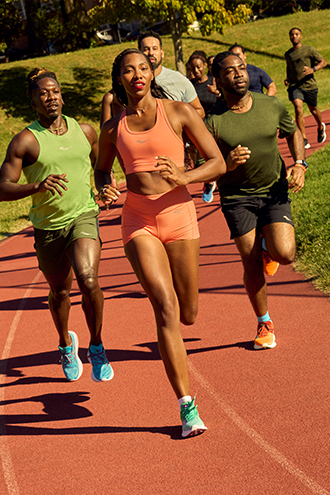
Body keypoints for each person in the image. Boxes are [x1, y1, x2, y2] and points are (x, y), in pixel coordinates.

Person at [94, 48, 229, 437]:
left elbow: (217, 162)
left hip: (179, 216)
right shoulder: (111, 129)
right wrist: (105, 189)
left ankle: (180, 344)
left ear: (152, 74)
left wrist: (186, 177)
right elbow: (102, 171)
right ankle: (188, 408)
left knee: (188, 313)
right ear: (119, 79)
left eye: (143, 68)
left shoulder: (178, 113)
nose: (137, 74)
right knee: (165, 307)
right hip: (138, 220)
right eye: (128, 70)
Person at [0, 67, 114, 383]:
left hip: (83, 216)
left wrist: (104, 187)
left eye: (55, 91)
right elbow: (2, 187)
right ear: (33, 101)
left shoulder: (86, 131)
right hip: (48, 227)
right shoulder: (25, 141)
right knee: (59, 292)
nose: (51, 98)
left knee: (89, 280)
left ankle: (97, 346)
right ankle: (65, 343)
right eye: (43, 93)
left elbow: (101, 168)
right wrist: (36, 187)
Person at [206, 51, 306, 351]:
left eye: (242, 68)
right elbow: (204, 165)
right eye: (230, 71)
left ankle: (268, 247)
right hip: (237, 198)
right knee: (250, 264)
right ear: (218, 80)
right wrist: (227, 162)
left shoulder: (270, 104)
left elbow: (293, 133)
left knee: (285, 254)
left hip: (274, 189)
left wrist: (300, 163)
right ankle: (264, 322)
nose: (239, 74)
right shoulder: (213, 121)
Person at [137, 30, 205, 118]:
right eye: (146, 49)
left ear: (162, 53)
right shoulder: (134, 82)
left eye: (155, 48)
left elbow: (199, 111)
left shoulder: (178, 79)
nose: (151, 53)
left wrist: (178, 121)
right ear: (138, 54)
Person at [284, 27, 327, 150]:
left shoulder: (309, 50)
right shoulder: (288, 54)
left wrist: (312, 69)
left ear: (301, 36)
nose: (294, 36)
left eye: (297, 34)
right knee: (298, 109)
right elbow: (289, 67)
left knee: (313, 109)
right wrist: (288, 78)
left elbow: (323, 62)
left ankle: (320, 127)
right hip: (295, 86)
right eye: (292, 35)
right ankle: (303, 138)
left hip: (309, 85)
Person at [188, 50, 219, 203]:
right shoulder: (189, 86)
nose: (196, 71)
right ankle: (209, 183)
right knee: (201, 162)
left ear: (205, 66)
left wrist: (216, 92)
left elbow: (225, 99)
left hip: (217, 123)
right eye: (193, 68)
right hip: (199, 127)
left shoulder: (214, 81)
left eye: (199, 67)